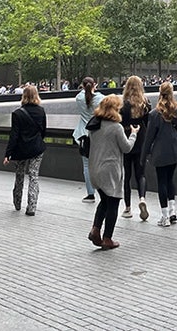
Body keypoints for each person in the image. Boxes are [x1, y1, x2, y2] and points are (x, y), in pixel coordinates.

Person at [86, 95, 139, 249]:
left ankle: (95, 230)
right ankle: (107, 238)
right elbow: (127, 148)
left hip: (95, 168)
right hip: (110, 170)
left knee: (104, 200)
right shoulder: (116, 127)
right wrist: (134, 133)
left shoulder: (94, 125)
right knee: (113, 202)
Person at [141, 82, 177, 226]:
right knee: (170, 180)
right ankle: (173, 211)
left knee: (162, 181)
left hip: (160, 152)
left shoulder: (155, 114)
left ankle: (164, 216)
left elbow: (149, 137)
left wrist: (143, 156)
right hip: (174, 151)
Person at [4, 85, 47, 216]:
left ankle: (17, 202)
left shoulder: (17, 113)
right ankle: (32, 207)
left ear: (23, 96)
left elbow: (14, 135)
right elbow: (43, 131)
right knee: (34, 176)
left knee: (19, 175)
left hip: (21, 150)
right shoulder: (41, 111)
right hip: (37, 148)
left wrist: (8, 153)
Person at [119, 75, 151, 221]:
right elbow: (148, 122)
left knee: (127, 175)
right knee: (141, 174)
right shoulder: (145, 103)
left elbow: (120, 122)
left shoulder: (124, 104)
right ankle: (142, 198)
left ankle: (127, 208)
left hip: (127, 139)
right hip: (141, 139)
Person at [72, 77, 100, 201]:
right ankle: (103, 190)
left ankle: (90, 193)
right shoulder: (100, 98)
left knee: (86, 165)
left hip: (83, 134)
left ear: (82, 86)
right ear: (94, 85)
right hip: (97, 134)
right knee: (99, 163)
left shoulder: (78, 98)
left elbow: (83, 94)